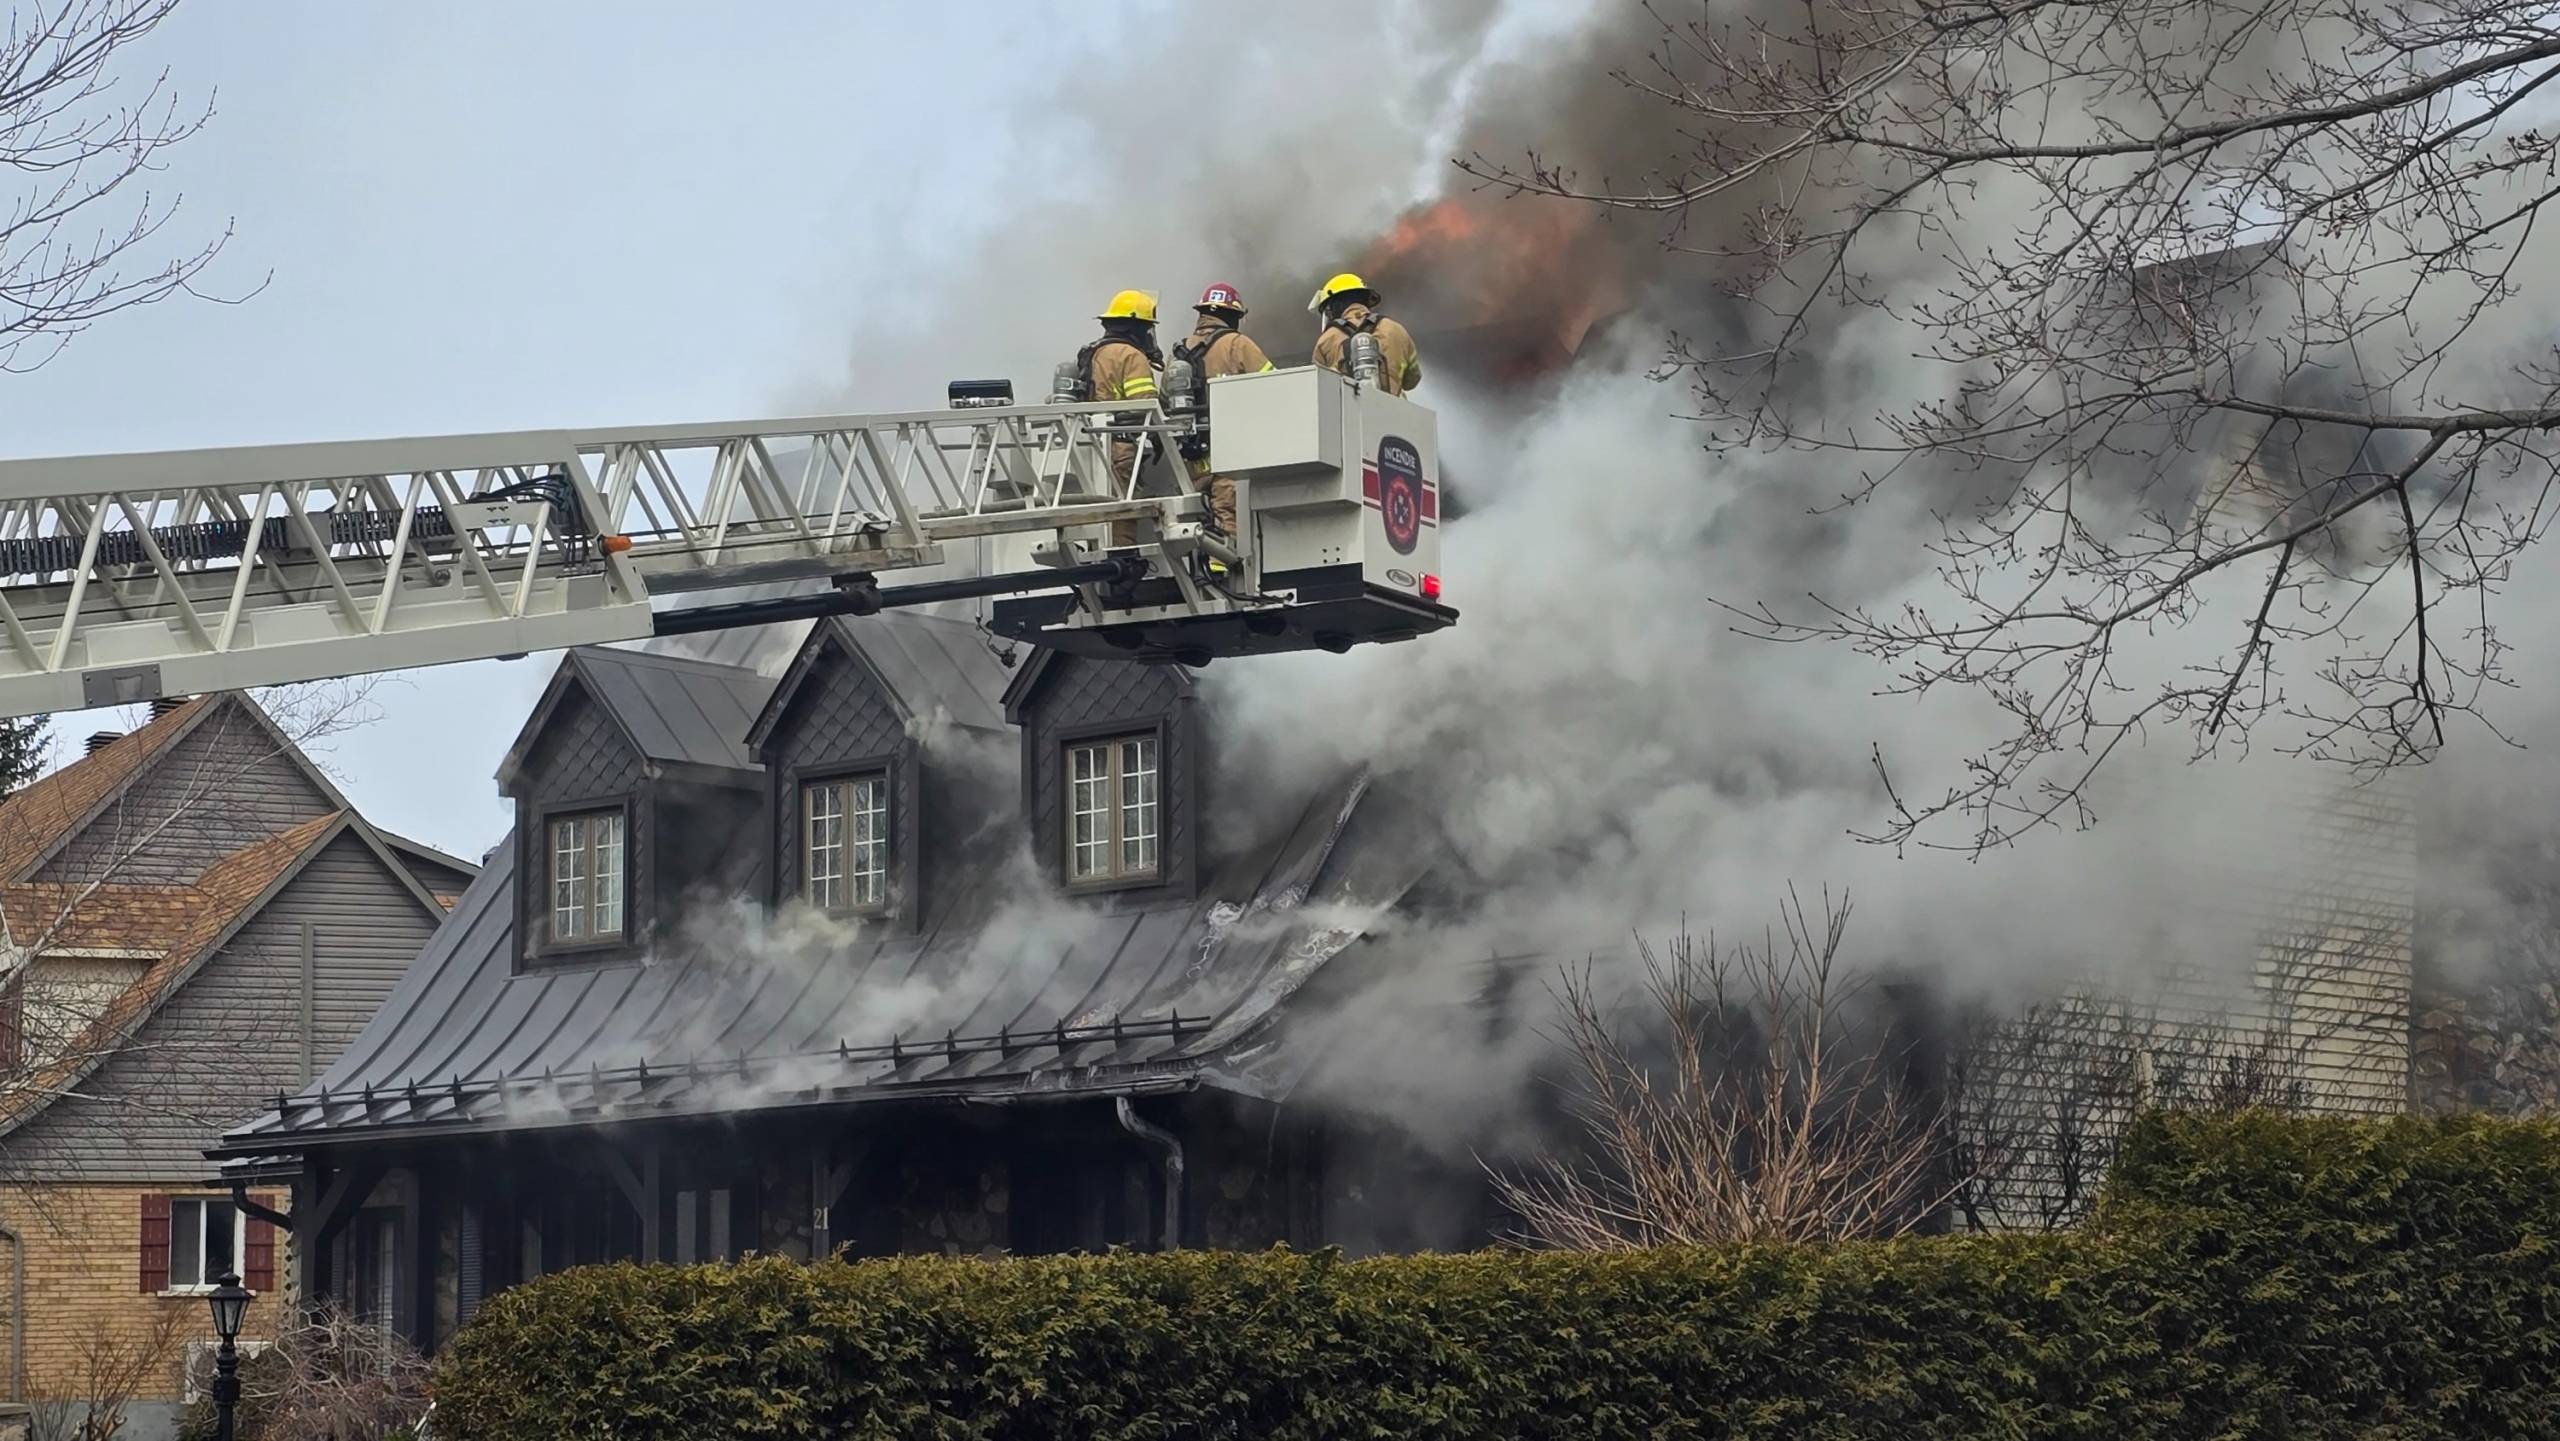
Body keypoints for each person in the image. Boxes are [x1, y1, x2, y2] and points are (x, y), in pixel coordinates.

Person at [1170, 282, 1274, 540]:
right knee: (1229, 515)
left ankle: (1205, 567)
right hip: (1231, 448)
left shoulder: (1180, 352)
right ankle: (1226, 569)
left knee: (1199, 517)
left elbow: (1165, 400)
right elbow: (1275, 387)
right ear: (1232, 316)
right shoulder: (1238, 344)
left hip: (1193, 456)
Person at [1080, 289, 1164, 544]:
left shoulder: (1091, 353)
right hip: (1122, 448)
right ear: (1135, 328)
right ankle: (1125, 561)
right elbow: (1145, 408)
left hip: (1091, 448)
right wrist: (1161, 437)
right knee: (1125, 510)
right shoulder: (1131, 356)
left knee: (1100, 510)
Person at [1308, 272, 1422, 396]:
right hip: (1394, 412)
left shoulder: (1327, 338)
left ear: (1336, 305)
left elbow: (1317, 387)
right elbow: (1412, 381)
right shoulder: (1396, 330)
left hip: (1349, 414)